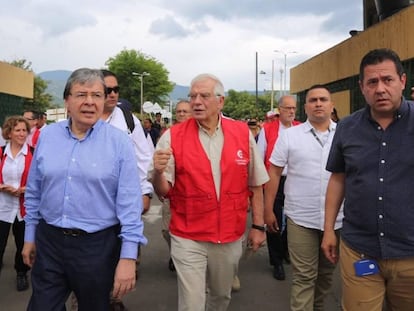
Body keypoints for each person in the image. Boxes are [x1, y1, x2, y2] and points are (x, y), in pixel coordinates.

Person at [22, 68, 147, 311]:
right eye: (81, 94)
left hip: (97, 247)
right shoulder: (47, 136)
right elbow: (35, 191)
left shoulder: (119, 142)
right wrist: (30, 236)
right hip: (50, 242)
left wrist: (128, 257)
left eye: (97, 95)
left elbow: (129, 203)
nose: (90, 102)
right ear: (67, 100)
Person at [150, 73, 269, 311]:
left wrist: (258, 226)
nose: (196, 101)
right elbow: (164, 191)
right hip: (187, 234)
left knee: (220, 297)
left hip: (229, 234)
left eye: (204, 96)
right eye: (192, 96)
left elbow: (256, 184)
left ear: (220, 101)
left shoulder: (241, 133)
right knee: (192, 303)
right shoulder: (172, 136)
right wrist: (157, 173)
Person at [322, 48, 414, 310]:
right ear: (362, 87)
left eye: (388, 80)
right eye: (372, 82)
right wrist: (329, 229)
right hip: (360, 249)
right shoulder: (347, 127)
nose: (380, 88)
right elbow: (338, 178)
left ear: (403, 81)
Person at [264, 85, 343, 311]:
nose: (318, 103)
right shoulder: (289, 136)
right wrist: (268, 210)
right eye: (313, 100)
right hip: (301, 218)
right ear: (305, 107)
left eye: (323, 99)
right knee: (304, 277)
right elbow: (275, 172)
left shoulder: (344, 135)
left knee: (326, 276)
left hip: (337, 219)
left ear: (331, 104)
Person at [257, 95, 300, 280]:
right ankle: (276, 261)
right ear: (279, 110)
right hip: (274, 181)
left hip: (297, 181)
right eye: (287, 108)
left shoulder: (301, 129)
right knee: (273, 220)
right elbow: (259, 159)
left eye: (294, 108)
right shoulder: (268, 130)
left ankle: (285, 250)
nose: (291, 111)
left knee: (294, 220)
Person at [100, 69, 154, 214]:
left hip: (125, 200)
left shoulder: (128, 120)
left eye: (116, 90)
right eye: (108, 90)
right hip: (93, 199)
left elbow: (143, 158)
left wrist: (146, 192)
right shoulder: (84, 120)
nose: (113, 94)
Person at [0, 116, 33, 291]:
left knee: (22, 244)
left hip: (25, 208)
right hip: (2, 207)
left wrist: (25, 189)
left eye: (24, 130)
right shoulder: (0, 152)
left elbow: (41, 181)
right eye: (17, 130)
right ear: (9, 133)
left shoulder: (33, 153)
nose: (22, 134)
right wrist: (1, 187)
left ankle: (21, 273)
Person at [161, 100, 192, 272]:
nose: (181, 114)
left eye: (185, 111)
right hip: (170, 193)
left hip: (191, 195)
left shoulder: (198, 137)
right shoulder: (168, 135)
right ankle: (176, 252)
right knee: (167, 230)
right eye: (178, 111)